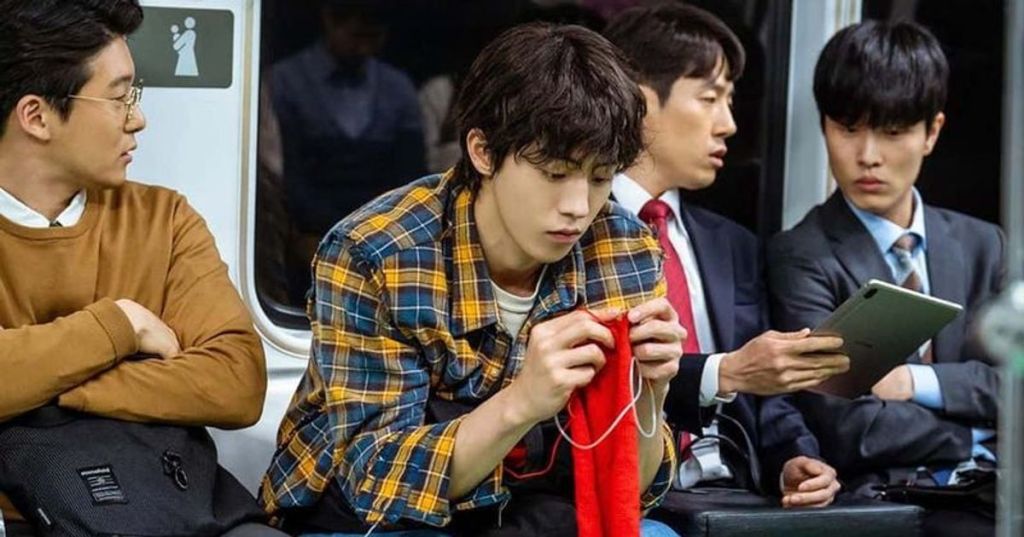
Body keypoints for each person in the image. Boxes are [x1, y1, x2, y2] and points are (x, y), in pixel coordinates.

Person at [261, 22, 684, 537]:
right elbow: (374, 479)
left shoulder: (623, 249)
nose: (578, 207)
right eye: (554, 174)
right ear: (482, 152)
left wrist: (650, 392)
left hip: (532, 508)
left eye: (600, 178)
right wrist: (523, 401)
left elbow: (629, 492)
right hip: (373, 517)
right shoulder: (377, 253)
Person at [0, 0, 273, 535]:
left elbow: (236, 381)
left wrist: (40, 386)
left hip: (160, 500)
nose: (138, 118)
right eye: (119, 97)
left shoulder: (162, 219)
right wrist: (121, 324)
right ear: (36, 116)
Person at [604, 3, 846, 508]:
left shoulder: (730, 245)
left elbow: (765, 393)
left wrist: (793, 459)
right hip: (637, 491)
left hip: (735, 490)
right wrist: (724, 371)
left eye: (730, 101)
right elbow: (607, 382)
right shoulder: (577, 230)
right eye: (710, 98)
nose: (729, 124)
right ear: (640, 102)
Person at [767, 20, 1003, 537]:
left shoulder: (984, 244)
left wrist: (913, 382)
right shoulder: (801, 255)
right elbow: (849, 426)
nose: (868, 155)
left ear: (932, 132)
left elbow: (1017, 384)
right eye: (848, 129)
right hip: (893, 500)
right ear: (824, 125)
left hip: (997, 494)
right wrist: (980, 434)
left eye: (893, 133)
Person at [269, 0, 425, 304]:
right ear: (330, 19)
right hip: (307, 233)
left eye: (373, 37)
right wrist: (324, 237)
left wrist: (378, 237)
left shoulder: (398, 88)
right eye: (357, 36)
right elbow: (286, 175)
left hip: (384, 234)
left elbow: (410, 173)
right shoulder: (285, 82)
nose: (364, 48)